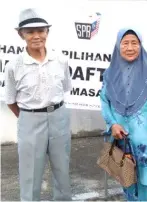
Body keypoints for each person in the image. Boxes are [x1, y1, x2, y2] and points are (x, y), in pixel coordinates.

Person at [4, 8, 72, 201]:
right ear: (21, 35)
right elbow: (10, 100)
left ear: (47, 32)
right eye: (30, 32)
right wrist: (30, 115)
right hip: (30, 119)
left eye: (41, 30)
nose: (36, 36)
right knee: (30, 174)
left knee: (62, 170)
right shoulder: (14, 65)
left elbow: (65, 88)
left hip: (59, 117)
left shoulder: (60, 60)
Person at [100, 28, 147, 201]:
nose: (130, 47)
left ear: (140, 45)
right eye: (125, 43)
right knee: (127, 181)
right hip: (121, 139)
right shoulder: (109, 74)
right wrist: (112, 124)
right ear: (118, 46)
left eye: (134, 43)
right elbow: (104, 101)